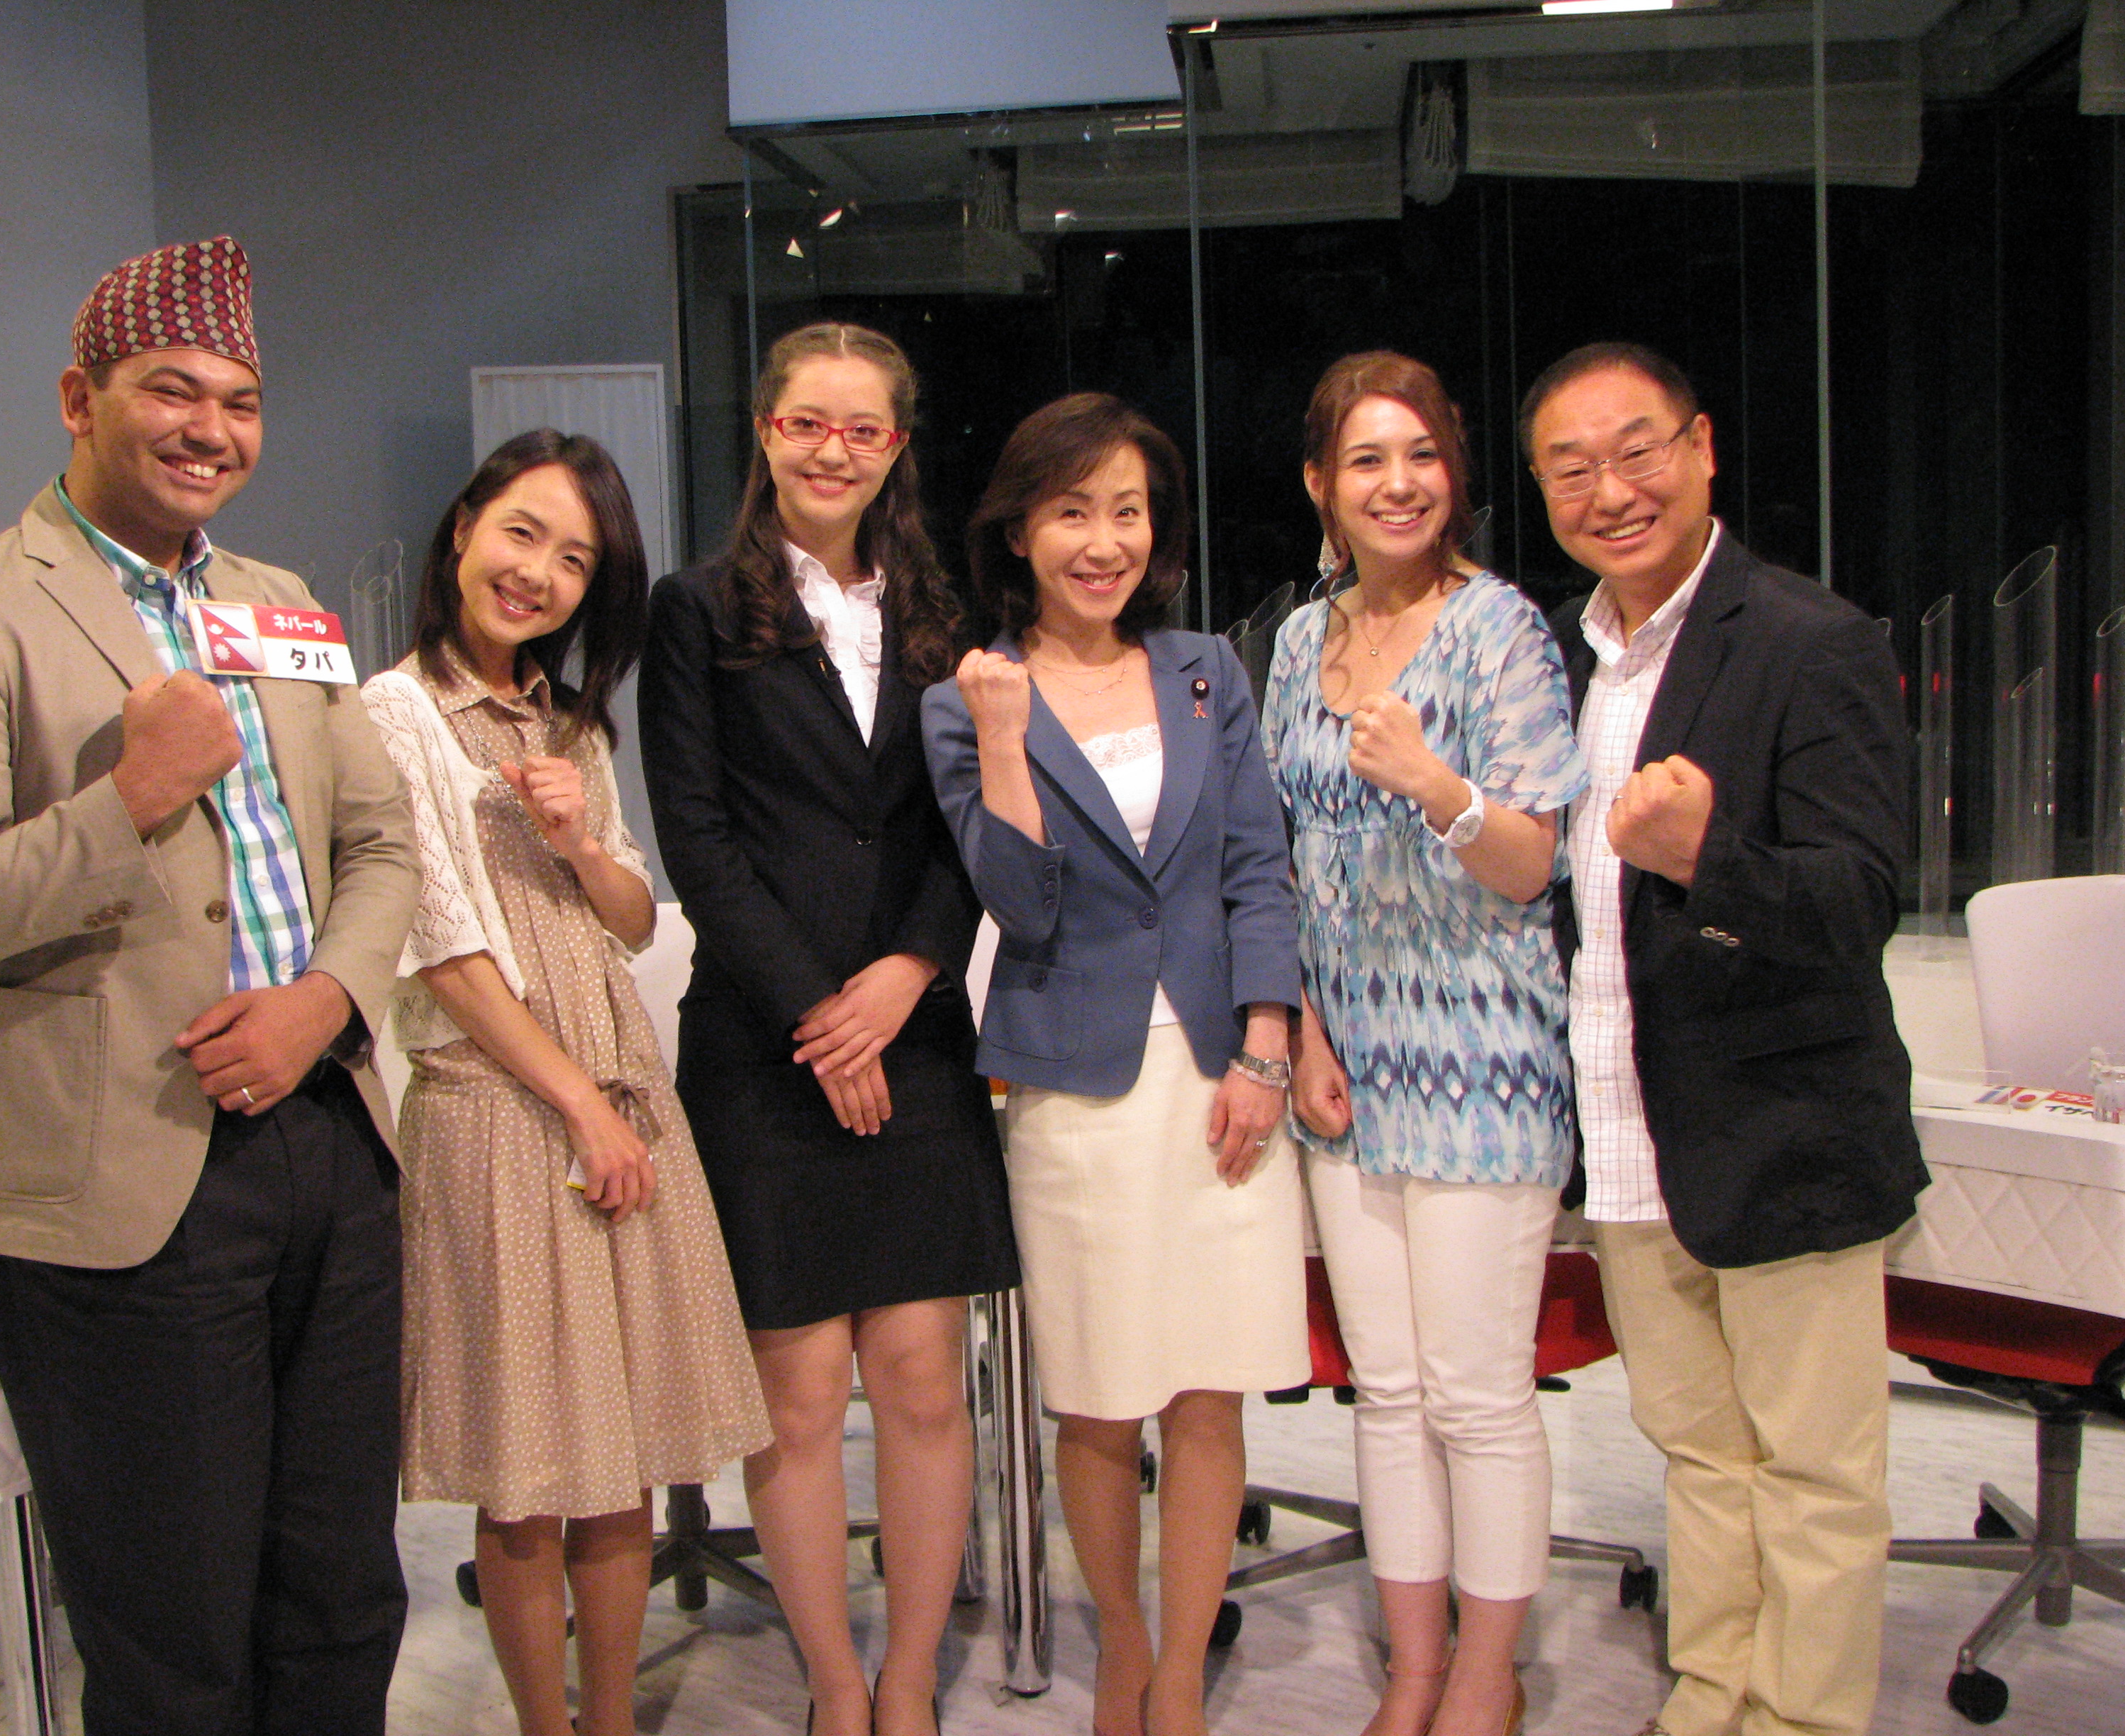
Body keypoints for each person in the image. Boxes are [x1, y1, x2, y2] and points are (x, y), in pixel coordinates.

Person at [0, 238, 420, 1736]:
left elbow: (381, 844)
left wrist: (327, 1001)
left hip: (329, 1148)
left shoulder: (282, 601)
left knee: (344, 1601)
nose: (210, 430)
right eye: (172, 390)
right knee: (176, 1648)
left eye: (241, 401)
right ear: (77, 398)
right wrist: (130, 800)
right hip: (125, 1183)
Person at [1522, 341, 1927, 1736]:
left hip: (1785, 1135)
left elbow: (1862, 900)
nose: (1610, 491)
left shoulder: (1812, 640)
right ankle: (1711, 1698)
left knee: (1814, 1477)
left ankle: (1802, 1721)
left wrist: (1710, 859)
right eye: (1572, 469)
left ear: (1701, 450)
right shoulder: (1563, 659)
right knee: (1699, 1456)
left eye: (1637, 451)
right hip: (1632, 1134)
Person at [638, 323, 1020, 1736]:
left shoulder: (944, 616)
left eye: (862, 428)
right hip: (764, 1044)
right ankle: (839, 1687)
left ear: (896, 447)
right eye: (808, 422)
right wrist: (820, 1013)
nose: (832, 450)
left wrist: (910, 971)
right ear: (766, 430)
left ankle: (910, 1679)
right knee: (796, 1393)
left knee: (922, 1380)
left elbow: (966, 826)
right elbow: (696, 838)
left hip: (914, 1032)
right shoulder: (695, 611)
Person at [359, 430, 769, 1736]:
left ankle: (612, 1721)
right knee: (529, 1470)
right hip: (503, 1113)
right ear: (465, 529)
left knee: (623, 1452)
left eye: (575, 559)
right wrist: (583, 1109)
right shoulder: (396, 712)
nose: (538, 573)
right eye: (522, 534)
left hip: (617, 1095)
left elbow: (635, 918)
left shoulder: (570, 720)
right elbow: (445, 952)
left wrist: (577, 839)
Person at [924, 392, 1307, 1736]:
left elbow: (1257, 866)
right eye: (1072, 511)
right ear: (1017, 532)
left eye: (1128, 511)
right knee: (1096, 1402)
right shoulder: (966, 698)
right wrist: (1006, 737)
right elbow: (1020, 908)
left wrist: (1267, 1044)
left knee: (1207, 1392)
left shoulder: (1207, 669)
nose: (1103, 541)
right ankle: (1126, 1648)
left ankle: (1184, 1670)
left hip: (1218, 1080)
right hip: (1073, 1092)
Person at [1260, 352, 1589, 1736]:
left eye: (1422, 455)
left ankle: (1487, 1674)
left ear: (1453, 472)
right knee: (1386, 1393)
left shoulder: (1502, 630)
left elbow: (1531, 865)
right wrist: (1305, 1032)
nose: (1399, 484)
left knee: (1476, 1397)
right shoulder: (1299, 642)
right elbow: (1281, 856)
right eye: (1366, 460)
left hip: (1481, 1059)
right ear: (1321, 486)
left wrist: (1437, 787)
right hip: (1345, 1066)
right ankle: (1412, 1667)